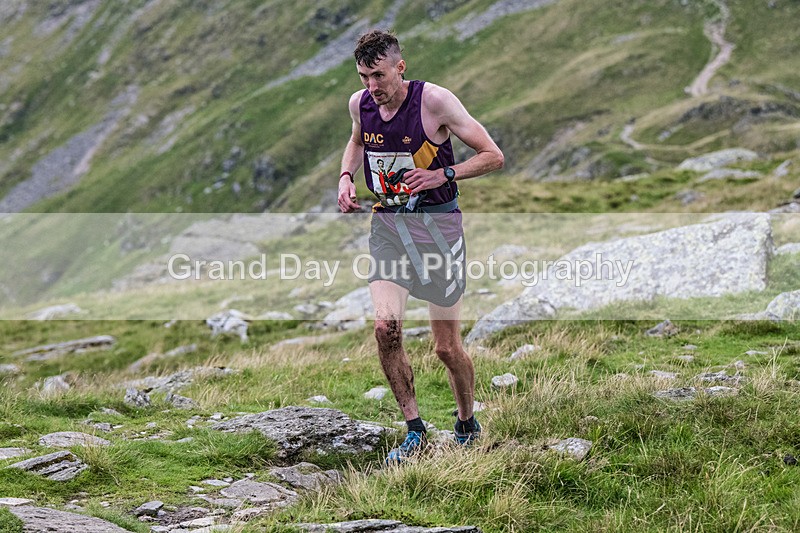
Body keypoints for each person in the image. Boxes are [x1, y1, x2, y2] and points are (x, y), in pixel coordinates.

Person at [337, 30, 503, 464]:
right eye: (363, 77)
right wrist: (345, 177)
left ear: (399, 67)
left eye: (378, 75)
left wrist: (443, 175)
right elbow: (356, 140)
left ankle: (466, 421)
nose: (372, 86)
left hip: (438, 231)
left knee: (446, 348)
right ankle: (414, 430)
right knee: (384, 329)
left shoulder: (434, 102)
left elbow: (493, 155)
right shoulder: (360, 105)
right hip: (388, 226)